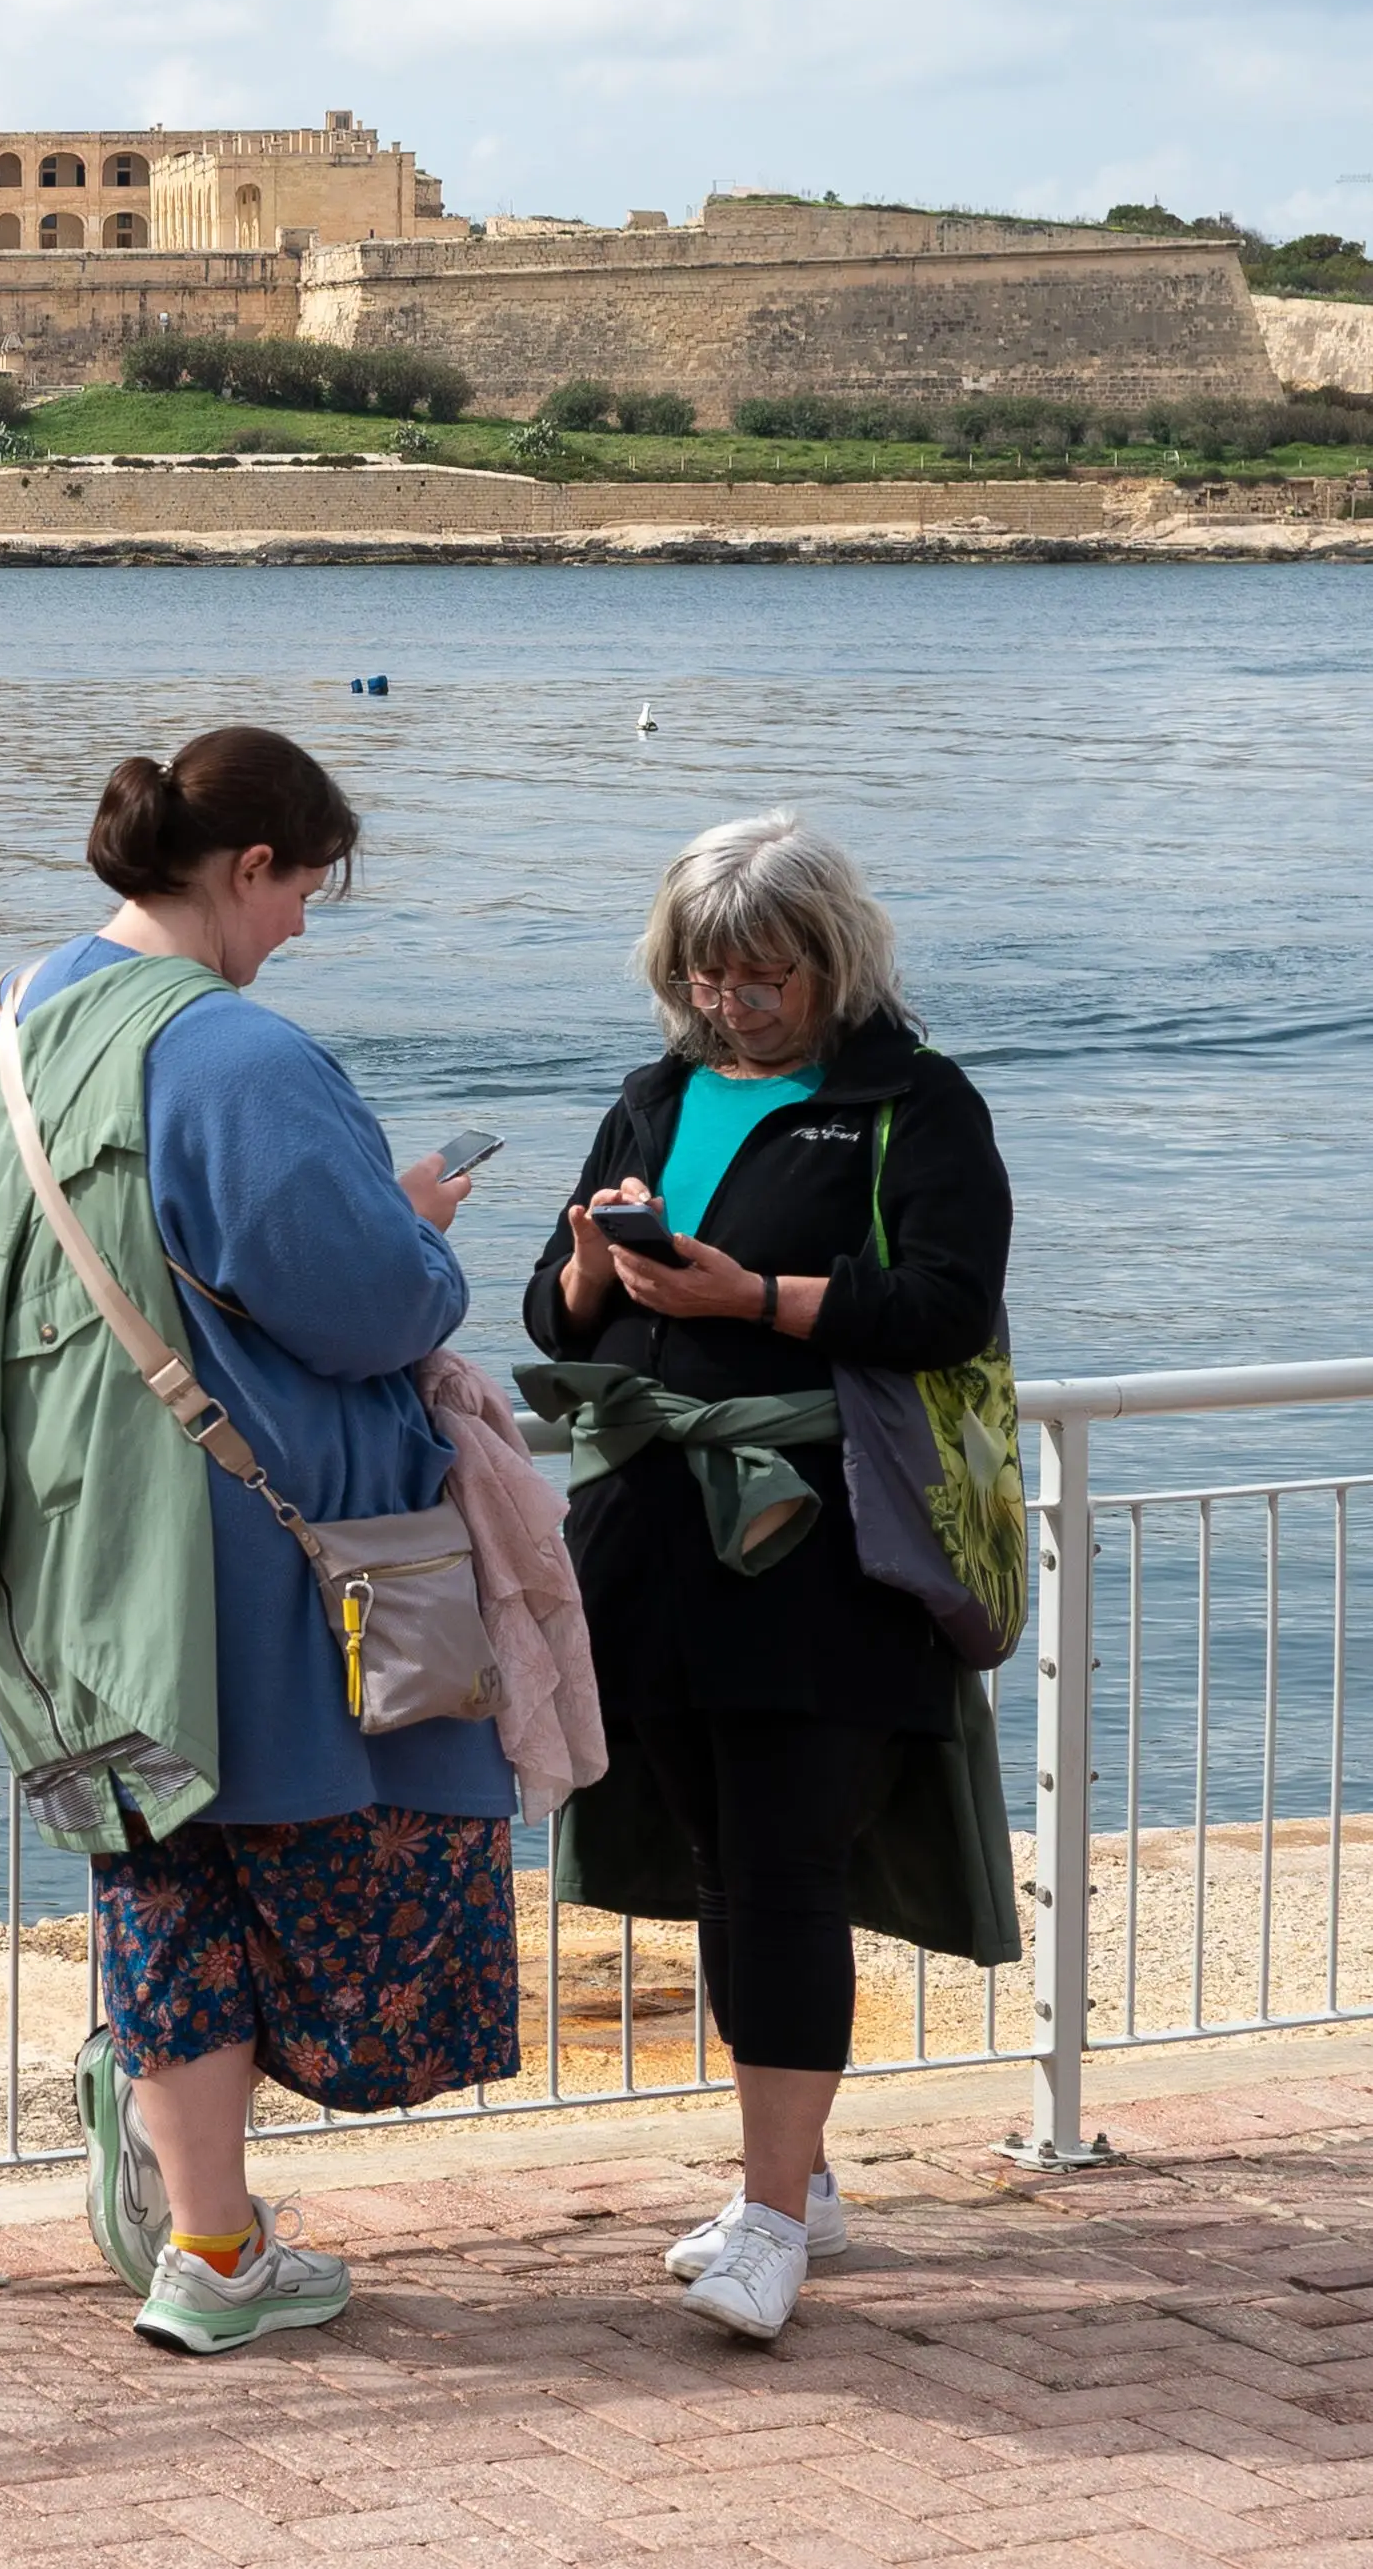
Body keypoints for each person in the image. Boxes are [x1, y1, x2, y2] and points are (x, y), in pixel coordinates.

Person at [0, 729, 512, 2358]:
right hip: (246, 1550)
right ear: (245, 869)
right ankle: (189, 2190)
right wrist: (416, 1231)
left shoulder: (1, 1023)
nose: (299, 924)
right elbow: (369, 1302)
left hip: (68, 1546)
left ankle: (207, 2242)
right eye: (302, 888)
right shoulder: (231, 1052)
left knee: (153, 1880)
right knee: (321, 1879)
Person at [520, 813, 1013, 2343]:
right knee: (720, 1862)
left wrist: (757, 1296)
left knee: (791, 1864)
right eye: (703, 975)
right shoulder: (651, 1096)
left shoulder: (910, 1102)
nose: (728, 1005)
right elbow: (554, 1323)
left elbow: (946, 1305)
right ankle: (788, 2178)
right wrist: (599, 1265)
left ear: (830, 961)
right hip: (651, 1531)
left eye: (759, 977)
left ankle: (773, 2216)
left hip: (819, 1538)